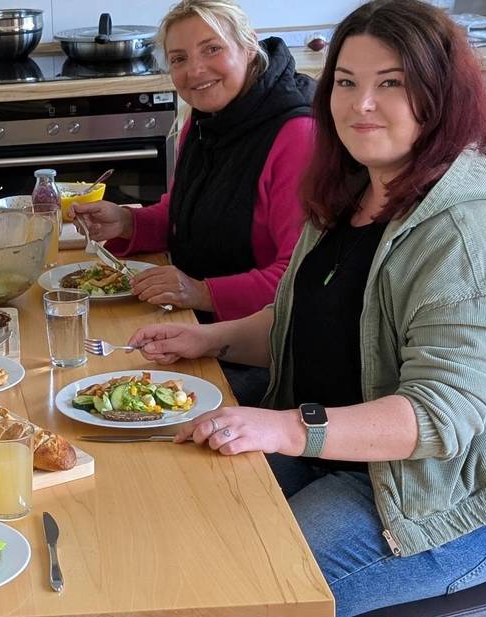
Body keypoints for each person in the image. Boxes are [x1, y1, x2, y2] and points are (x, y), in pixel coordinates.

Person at [127, 0, 486, 617]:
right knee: (173, 518)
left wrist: (283, 427)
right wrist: (208, 340)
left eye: (391, 83)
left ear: (439, 94)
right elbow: (304, 319)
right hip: (342, 447)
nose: (360, 104)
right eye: (346, 82)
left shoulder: (470, 227)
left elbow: (445, 417)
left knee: (238, 583)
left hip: (451, 492)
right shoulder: (352, 187)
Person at [72, 0, 314, 404]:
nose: (195, 70)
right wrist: (127, 223)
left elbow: (297, 279)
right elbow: (182, 215)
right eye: (179, 58)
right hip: (192, 328)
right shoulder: (204, 119)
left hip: (267, 358)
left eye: (212, 49)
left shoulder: (297, 135)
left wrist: (201, 292)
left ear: (248, 45)